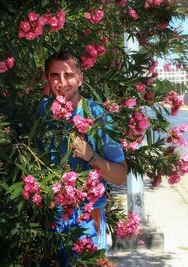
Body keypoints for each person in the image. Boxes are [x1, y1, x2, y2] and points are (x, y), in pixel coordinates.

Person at [37, 51, 127, 266]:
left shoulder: (98, 116)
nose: (61, 82)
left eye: (68, 74)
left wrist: (91, 156)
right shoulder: (42, 111)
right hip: (52, 220)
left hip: (88, 220)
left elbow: (121, 175)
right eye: (54, 75)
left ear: (80, 78)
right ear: (47, 80)